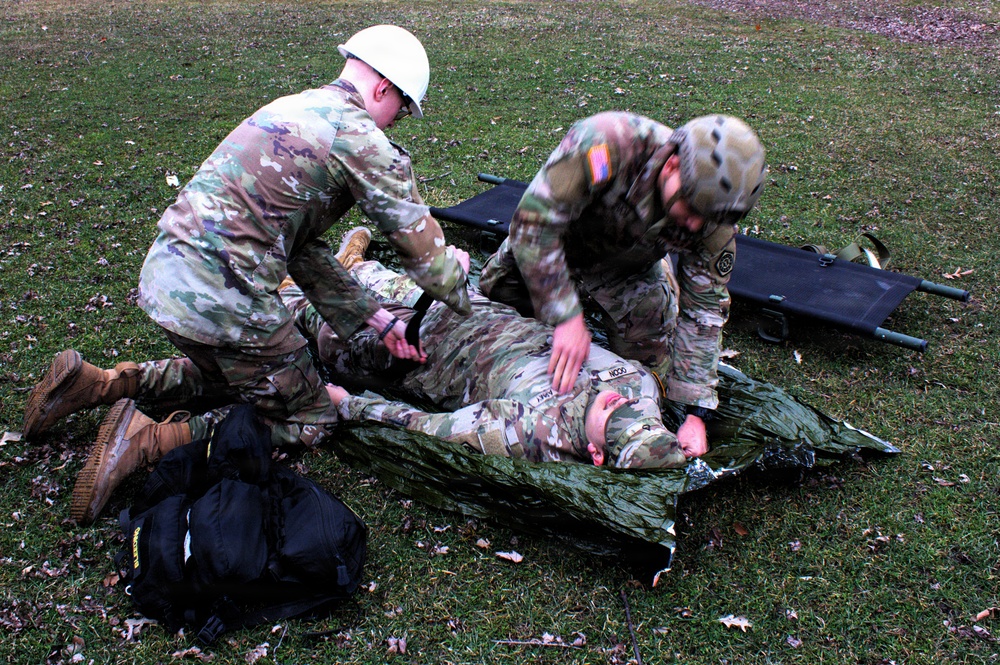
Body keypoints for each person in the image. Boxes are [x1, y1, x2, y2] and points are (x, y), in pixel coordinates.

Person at [21, 25, 472, 525]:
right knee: (310, 416)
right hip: (224, 300)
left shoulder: (292, 108)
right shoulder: (363, 140)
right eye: (404, 109)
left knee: (235, 375)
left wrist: (376, 319)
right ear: (385, 87)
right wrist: (455, 272)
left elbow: (299, 248)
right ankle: (146, 440)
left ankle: (99, 385)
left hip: (168, 282)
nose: (399, 121)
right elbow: (430, 262)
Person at [477, 111, 767, 458]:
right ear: (672, 165)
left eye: (705, 219)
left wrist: (695, 413)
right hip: (554, 250)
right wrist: (566, 316)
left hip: (629, 274)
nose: (694, 225)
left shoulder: (713, 215)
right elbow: (533, 227)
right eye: (690, 209)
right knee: (494, 317)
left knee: (648, 376)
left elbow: (704, 312)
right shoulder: (606, 143)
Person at [280, 229, 700, 468]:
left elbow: (427, 428)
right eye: (641, 415)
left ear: (595, 453)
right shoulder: (640, 389)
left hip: (421, 350)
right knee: (398, 284)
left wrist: (350, 404)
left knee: (339, 334)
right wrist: (692, 419)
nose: (619, 403)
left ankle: (291, 293)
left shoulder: (530, 431)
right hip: (481, 311)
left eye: (616, 420)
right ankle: (357, 267)